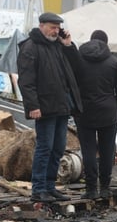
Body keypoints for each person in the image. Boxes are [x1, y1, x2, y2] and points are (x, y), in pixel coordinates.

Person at [17, 12, 81, 203]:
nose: (56, 31)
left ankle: (50, 186)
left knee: (58, 148)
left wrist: (68, 45)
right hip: (44, 107)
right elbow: (26, 81)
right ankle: (39, 188)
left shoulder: (57, 46)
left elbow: (75, 66)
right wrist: (33, 106)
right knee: (44, 148)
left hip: (61, 105)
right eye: (52, 27)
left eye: (57, 27)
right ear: (42, 25)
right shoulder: (30, 47)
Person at [74, 30, 117, 199]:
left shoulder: (79, 60)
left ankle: (90, 189)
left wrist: (75, 107)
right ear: (106, 41)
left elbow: (72, 85)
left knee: (88, 150)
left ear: (90, 41)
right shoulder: (113, 62)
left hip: (84, 111)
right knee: (107, 150)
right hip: (108, 111)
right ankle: (104, 187)